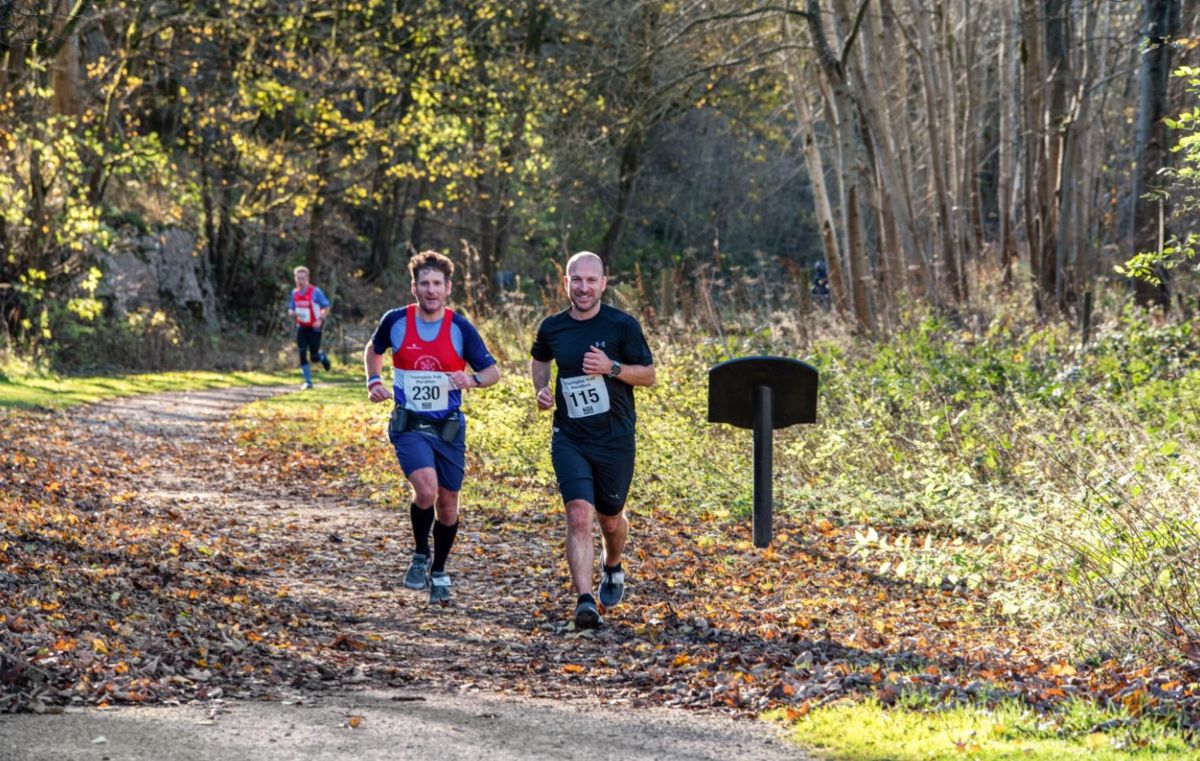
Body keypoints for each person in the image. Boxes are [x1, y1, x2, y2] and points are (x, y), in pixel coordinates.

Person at [364, 250, 500, 604]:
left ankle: (438, 570)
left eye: (437, 283)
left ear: (447, 288)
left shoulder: (459, 327)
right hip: (410, 424)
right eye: (424, 283)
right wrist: (374, 380)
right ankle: (420, 553)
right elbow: (373, 349)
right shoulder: (395, 321)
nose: (430, 290)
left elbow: (492, 373)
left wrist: (470, 380)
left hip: (448, 428)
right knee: (426, 489)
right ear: (414, 287)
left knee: (449, 503)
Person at [530, 251, 656, 628]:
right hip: (570, 436)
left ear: (603, 283)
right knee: (578, 515)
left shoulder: (622, 325)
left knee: (611, 519)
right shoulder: (552, 327)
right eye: (576, 280)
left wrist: (612, 368)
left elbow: (648, 375)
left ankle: (612, 564)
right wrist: (540, 389)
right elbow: (539, 359)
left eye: (591, 280)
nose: (583, 287)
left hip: (615, 438)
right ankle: (585, 601)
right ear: (565, 284)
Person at [288, 266, 332, 389]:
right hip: (301, 326)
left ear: (307, 278)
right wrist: (291, 312)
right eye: (297, 278)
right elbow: (291, 307)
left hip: (314, 327)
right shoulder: (294, 293)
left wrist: (320, 319)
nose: (300, 281)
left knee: (314, 357)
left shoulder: (315, 292)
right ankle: (308, 382)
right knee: (302, 352)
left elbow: (326, 306)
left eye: (302, 278)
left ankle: (322, 357)